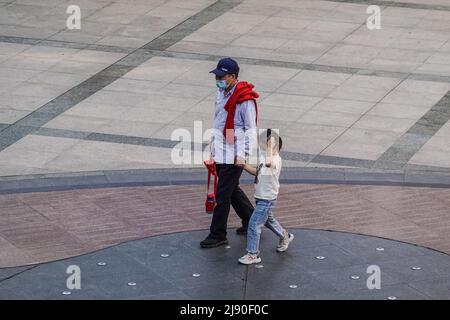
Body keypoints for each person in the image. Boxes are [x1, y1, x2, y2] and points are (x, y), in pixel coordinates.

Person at [200, 57, 259, 248]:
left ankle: (218, 234)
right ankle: (251, 219)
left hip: (235, 154)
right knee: (231, 190)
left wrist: (243, 155)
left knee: (222, 195)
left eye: (222, 76)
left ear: (233, 76)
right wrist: (213, 145)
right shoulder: (221, 91)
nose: (217, 79)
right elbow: (218, 119)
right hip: (221, 150)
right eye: (217, 76)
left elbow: (250, 129)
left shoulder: (244, 100)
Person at [238, 129, 294, 265]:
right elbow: (257, 172)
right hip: (261, 197)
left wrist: (270, 145)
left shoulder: (275, 160)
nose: (261, 147)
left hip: (267, 199)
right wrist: (243, 165)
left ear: (272, 146)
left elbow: (269, 164)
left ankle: (253, 254)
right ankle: (285, 236)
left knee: (254, 224)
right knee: (268, 220)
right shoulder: (265, 158)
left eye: (264, 144)